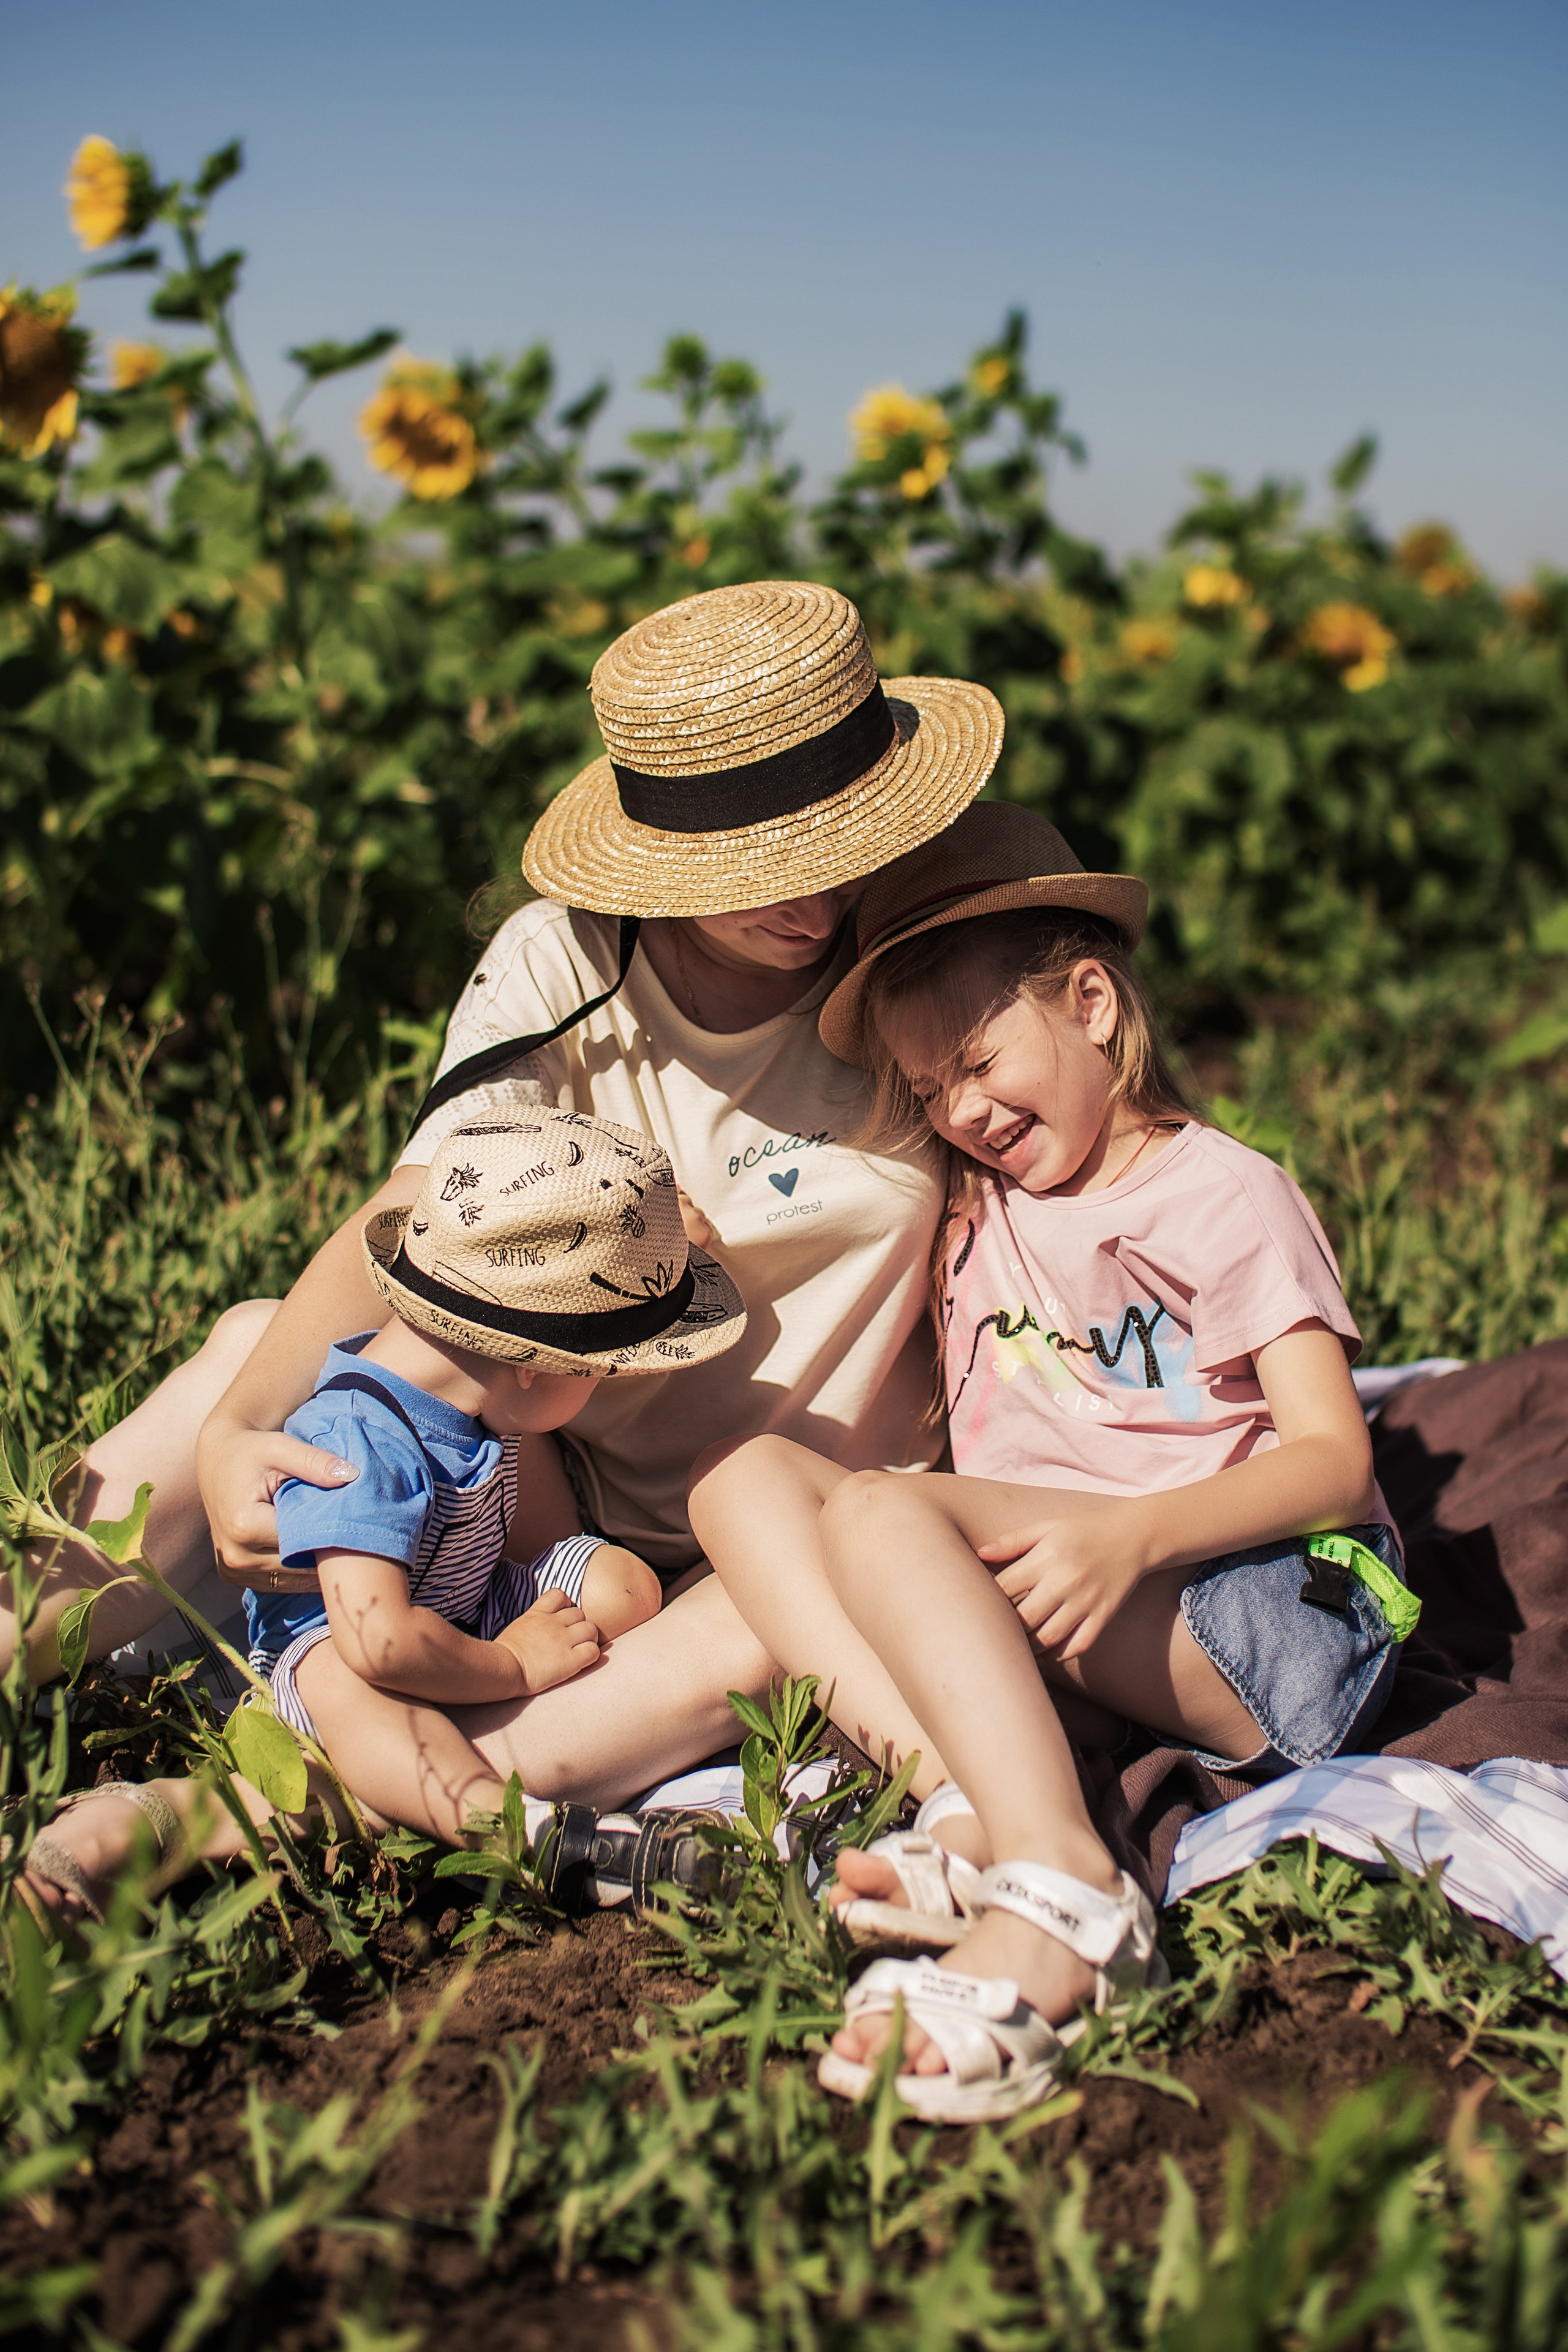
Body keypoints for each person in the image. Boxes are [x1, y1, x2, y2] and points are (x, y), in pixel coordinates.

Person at [7, 580, 1003, 1911]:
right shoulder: (569, 959)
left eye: (837, 839)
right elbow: (426, 1211)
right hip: (537, 1455)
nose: (815, 891)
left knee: (783, 1617)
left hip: (782, 1517)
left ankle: (228, 1814)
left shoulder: (930, 948)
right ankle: (24, 1641)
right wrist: (244, 1421)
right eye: (761, 860)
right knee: (261, 1347)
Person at [688, 803, 1415, 2122]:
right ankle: (973, 1806)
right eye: (926, 1094)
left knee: (881, 1521)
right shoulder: (985, 1210)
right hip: (1098, 1610)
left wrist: (1131, 1536)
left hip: (1263, 1607)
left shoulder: (1214, 1193)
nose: (959, 1112)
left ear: (1089, 1002)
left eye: (974, 1061)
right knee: (742, 1484)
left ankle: (1060, 1885)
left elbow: (1333, 1462)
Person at [20, 1115, 746, 1924]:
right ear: (533, 1368)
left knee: (618, 1586)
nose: (607, 1382)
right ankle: (527, 1835)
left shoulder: (469, 1407)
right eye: (604, 1368)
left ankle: (456, 1722)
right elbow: (378, 1638)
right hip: (340, 1647)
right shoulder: (360, 1447)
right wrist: (513, 1668)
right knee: (353, 1688)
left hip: (454, 1598)